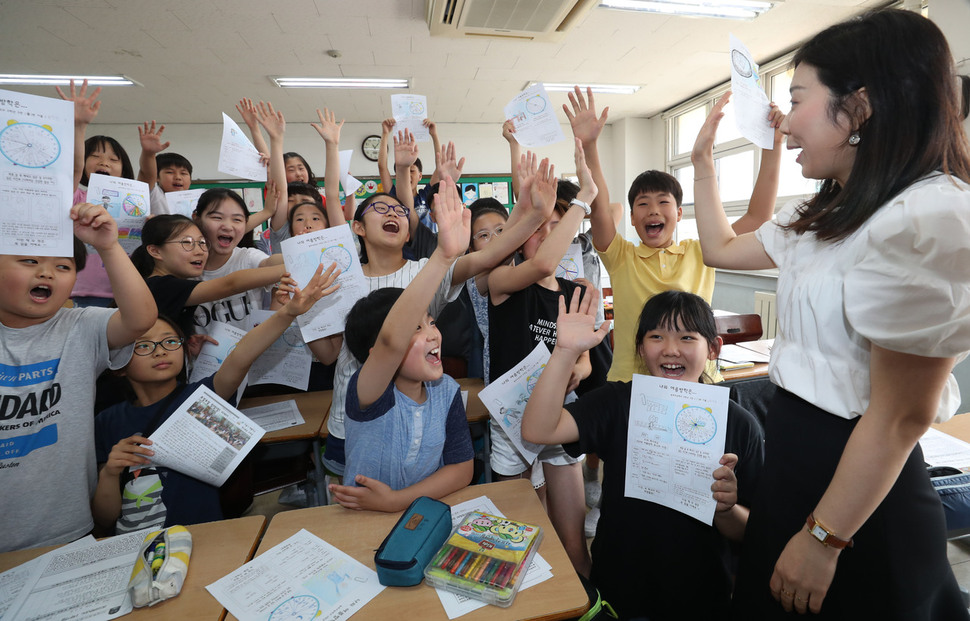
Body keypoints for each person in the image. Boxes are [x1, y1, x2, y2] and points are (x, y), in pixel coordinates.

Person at [690, 9, 970, 618]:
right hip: (796, 463)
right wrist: (705, 167)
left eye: (797, 99)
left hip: (857, 491)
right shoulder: (821, 212)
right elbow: (719, 248)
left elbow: (900, 416)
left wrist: (823, 538)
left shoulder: (927, 218)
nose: (785, 122)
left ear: (860, 107)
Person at [522, 289, 763, 619]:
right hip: (621, 588)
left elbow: (751, 530)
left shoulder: (740, 426)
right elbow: (537, 430)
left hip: (701, 595)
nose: (670, 349)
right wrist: (564, 352)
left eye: (687, 337)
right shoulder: (619, 402)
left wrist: (725, 507)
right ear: (639, 348)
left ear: (713, 348)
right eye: (656, 336)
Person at [92, 265, 337, 533]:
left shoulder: (201, 399)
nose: (160, 351)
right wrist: (110, 473)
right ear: (118, 364)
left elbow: (242, 355)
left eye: (170, 342)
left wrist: (288, 312)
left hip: (202, 537)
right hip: (132, 547)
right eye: (144, 345)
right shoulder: (107, 421)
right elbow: (105, 519)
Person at [564, 86, 783, 383]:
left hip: (698, 382)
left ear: (679, 214)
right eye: (643, 204)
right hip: (631, 384)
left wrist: (773, 146)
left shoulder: (703, 251)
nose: (653, 210)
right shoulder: (621, 256)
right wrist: (590, 146)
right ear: (631, 217)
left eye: (663, 202)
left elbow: (758, 218)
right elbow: (601, 207)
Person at [0, 203, 157, 553]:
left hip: (65, 526)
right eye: (29, 261)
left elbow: (141, 318)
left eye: (63, 266)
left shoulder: (80, 327)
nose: (47, 273)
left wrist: (108, 247)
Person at [328, 180, 475, 511]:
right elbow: (392, 341)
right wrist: (443, 255)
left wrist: (397, 501)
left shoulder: (446, 391)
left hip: (420, 512)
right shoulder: (370, 392)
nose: (433, 334)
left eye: (431, 322)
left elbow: (462, 469)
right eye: (416, 327)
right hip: (362, 523)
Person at [487, 140, 598, 576]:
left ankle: (583, 600)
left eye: (557, 225)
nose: (547, 234)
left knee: (573, 539)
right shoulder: (502, 280)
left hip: (558, 417)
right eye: (538, 226)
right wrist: (581, 200)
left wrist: (580, 368)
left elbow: (586, 360)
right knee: (518, 537)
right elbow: (540, 263)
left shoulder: (577, 293)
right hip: (509, 421)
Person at [57, 80, 168, 307]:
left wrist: (148, 154)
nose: (104, 162)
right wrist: (79, 127)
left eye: (113, 159)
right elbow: (74, 170)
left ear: (123, 166)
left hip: (129, 287)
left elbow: (147, 178)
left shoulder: (131, 196)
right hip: (84, 290)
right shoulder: (77, 196)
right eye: (96, 156)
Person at [130, 215, 287, 338]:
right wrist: (296, 265)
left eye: (202, 243)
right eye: (187, 243)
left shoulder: (171, 283)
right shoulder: (160, 286)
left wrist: (187, 343)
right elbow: (231, 284)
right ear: (155, 251)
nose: (199, 251)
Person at [191, 188, 282, 333]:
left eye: (237, 220)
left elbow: (270, 263)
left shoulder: (247, 258)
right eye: (217, 217)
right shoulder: (183, 268)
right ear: (196, 218)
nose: (227, 226)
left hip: (249, 354)